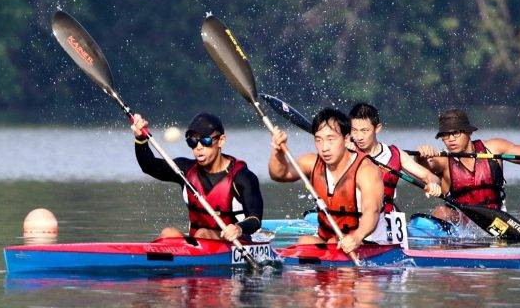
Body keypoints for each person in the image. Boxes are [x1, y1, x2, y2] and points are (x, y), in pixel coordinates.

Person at [131, 112, 263, 241]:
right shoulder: (184, 170)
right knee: (168, 233)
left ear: (221, 141)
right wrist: (140, 139)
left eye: (205, 140)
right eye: (193, 141)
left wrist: (238, 228)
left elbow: (255, 219)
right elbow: (149, 166)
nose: (198, 147)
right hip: (199, 242)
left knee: (202, 233)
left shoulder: (242, 177)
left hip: (238, 242)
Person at [269, 107, 385, 251]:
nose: (324, 148)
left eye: (331, 139)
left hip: (367, 244)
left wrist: (357, 237)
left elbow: (372, 210)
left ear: (347, 138)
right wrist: (278, 152)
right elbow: (280, 174)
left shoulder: (366, 170)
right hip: (331, 242)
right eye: (319, 140)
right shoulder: (311, 162)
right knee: (305, 242)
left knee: (339, 258)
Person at [416, 109, 520, 223]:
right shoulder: (443, 160)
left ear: (469, 132)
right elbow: (423, 169)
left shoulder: (493, 148)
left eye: (456, 133)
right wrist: (420, 156)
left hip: (495, 220)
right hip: (461, 223)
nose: (450, 139)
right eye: (445, 135)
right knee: (441, 212)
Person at [347, 102, 443, 209]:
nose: (359, 137)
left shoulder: (395, 155)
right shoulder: (345, 151)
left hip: (386, 217)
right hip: (352, 216)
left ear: (377, 128)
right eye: (354, 130)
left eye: (365, 131)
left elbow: (431, 177)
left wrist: (433, 185)